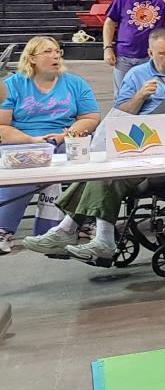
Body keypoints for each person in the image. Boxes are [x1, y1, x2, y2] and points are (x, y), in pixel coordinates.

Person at [21, 55, 165, 261]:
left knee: (110, 175)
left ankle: (97, 237)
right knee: (97, 170)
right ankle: (66, 229)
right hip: (163, 159)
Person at [0, 37, 100, 255]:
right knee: (20, 168)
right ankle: (3, 229)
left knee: (91, 163)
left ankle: (84, 221)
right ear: (32, 58)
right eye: (47, 51)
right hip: (24, 141)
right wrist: (32, 141)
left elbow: (91, 117)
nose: (55, 55)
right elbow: (2, 126)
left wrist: (67, 134)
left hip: (64, 139)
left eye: (57, 51)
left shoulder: (75, 83)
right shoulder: (13, 85)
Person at [113, 29, 165, 113]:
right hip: (150, 123)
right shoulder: (135, 74)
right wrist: (140, 96)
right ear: (151, 53)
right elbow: (120, 114)